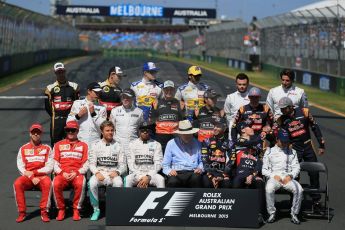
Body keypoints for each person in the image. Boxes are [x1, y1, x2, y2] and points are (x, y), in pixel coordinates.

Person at [276, 97, 325, 205]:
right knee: (294, 174)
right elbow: (279, 136)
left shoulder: (304, 112)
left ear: (290, 107)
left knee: (314, 172)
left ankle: (315, 199)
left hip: (308, 146)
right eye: (281, 108)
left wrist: (321, 145)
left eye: (284, 108)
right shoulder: (281, 120)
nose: (282, 110)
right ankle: (294, 197)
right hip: (294, 149)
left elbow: (315, 127)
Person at [13, 123, 53, 223]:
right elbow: (20, 167)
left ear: (41, 134)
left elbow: (49, 167)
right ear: (30, 134)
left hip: (42, 176)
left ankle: (44, 212)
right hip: (28, 177)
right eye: (34, 132)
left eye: (38, 132)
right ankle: (22, 213)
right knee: (17, 183)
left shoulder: (47, 148)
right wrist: (31, 176)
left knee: (48, 183)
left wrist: (34, 173)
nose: (36, 134)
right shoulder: (23, 148)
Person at [262, 129, 303, 225]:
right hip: (274, 177)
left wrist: (291, 176)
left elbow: (297, 167)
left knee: (299, 189)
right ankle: (271, 213)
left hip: (287, 178)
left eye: (286, 141)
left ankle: (294, 214)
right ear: (277, 139)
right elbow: (264, 170)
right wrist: (273, 176)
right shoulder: (269, 151)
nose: (285, 143)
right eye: (283, 141)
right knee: (269, 188)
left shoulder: (292, 152)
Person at [88, 121, 126, 221]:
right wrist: (96, 173)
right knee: (91, 183)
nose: (110, 132)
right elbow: (91, 164)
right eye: (107, 130)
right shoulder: (95, 145)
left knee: (119, 183)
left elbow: (123, 165)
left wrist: (117, 172)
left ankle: (115, 210)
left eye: (112, 130)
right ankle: (96, 210)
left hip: (113, 173)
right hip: (100, 173)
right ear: (102, 132)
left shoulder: (119, 145)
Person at [52, 121, 89, 221]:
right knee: (55, 183)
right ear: (65, 131)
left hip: (76, 173)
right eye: (68, 130)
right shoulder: (58, 144)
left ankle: (76, 209)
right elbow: (54, 163)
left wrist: (77, 172)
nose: (70, 132)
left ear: (77, 131)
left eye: (73, 130)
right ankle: (61, 209)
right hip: (62, 173)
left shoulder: (84, 145)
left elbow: (87, 163)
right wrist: (61, 172)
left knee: (81, 183)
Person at [44, 62, 80, 146]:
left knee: (72, 142)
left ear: (65, 71)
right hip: (57, 121)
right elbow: (47, 107)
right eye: (58, 72)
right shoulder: (49, 88)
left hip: (71, 120)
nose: (60, 74)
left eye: (62, 72)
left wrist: (72, 117)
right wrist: (55, 116)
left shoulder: (74, 87)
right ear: (55, 73)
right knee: (56, 143)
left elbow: (78, 104)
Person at [162, 120, 203, 188]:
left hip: (192, 172)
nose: (187, 136)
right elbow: (165, 164)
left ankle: (195, 199)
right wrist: (169, 171)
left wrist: (200, 168)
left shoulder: (197, 143)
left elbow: (201, 161)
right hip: (176, 172)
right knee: (173, 181)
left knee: (196, 179)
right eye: (184, 134)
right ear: (179, 134)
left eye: (189, 133)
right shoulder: (171, 143)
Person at [125, 122, 165, 188]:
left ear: (150, 131)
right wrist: (141, 176)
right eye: (142, 130)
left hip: (152, 174)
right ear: (139, 131)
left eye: (147, 130)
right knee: (127, 179)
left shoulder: (157, 144)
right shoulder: (132, 144)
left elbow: (158, 163)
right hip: (136, 173)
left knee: (161, 179)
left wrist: (148, 176)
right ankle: (126, 198)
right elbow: (130, 163)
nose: (145, 132)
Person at [67, 82, 107, 147]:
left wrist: (93, 114)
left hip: (96, 142)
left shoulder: (102, 107)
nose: (98, 94)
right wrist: (78, 115)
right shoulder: (77, 103)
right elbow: (68, 123)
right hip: (79, 140)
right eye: (96, 92)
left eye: (99, 92)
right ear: (89, 91)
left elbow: (103, 126)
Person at [149, 80, 184, 152]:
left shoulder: (180, 104)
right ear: (163, 90)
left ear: (174, 90)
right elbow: (151, 121)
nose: (169, 91)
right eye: (166, 89)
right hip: (161, 137)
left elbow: (182, 122)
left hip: (175, 136)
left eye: (171, 89)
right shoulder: (156, 102)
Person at [201, 119, 231, 188]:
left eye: (218, 126)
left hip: (224, 173)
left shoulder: (230, 143)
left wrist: (223, 175)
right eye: (214, 126)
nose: (215, 128)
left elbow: (232, 160)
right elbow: (204, 159)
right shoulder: (206, 141)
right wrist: (211, 176)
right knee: (206, 183)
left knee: (227, 184)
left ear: (224, 128)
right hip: (209, 172)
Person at [223, 73, 250, 140]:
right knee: (232, 148)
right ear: (236, 84)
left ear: (247, 84)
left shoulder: (252, 97)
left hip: (248, 128)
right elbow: (227, 113)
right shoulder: (230, 97)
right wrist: (232, 124)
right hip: (233, 127)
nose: (242, 86)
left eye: (244, 84)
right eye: (239, 84)